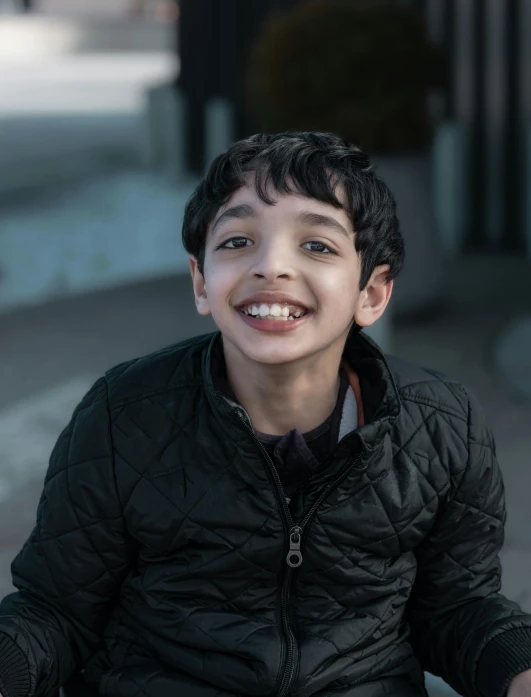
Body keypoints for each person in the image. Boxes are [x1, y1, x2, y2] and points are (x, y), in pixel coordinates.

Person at [0, 131, 531, 697]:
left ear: (371, 294)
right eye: (236, 241)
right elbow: (55, 611)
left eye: (318, 246)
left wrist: (517, 668)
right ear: (202, 281)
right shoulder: (123, 414)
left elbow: (460, 609)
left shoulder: (443, 425)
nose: (271, 266)